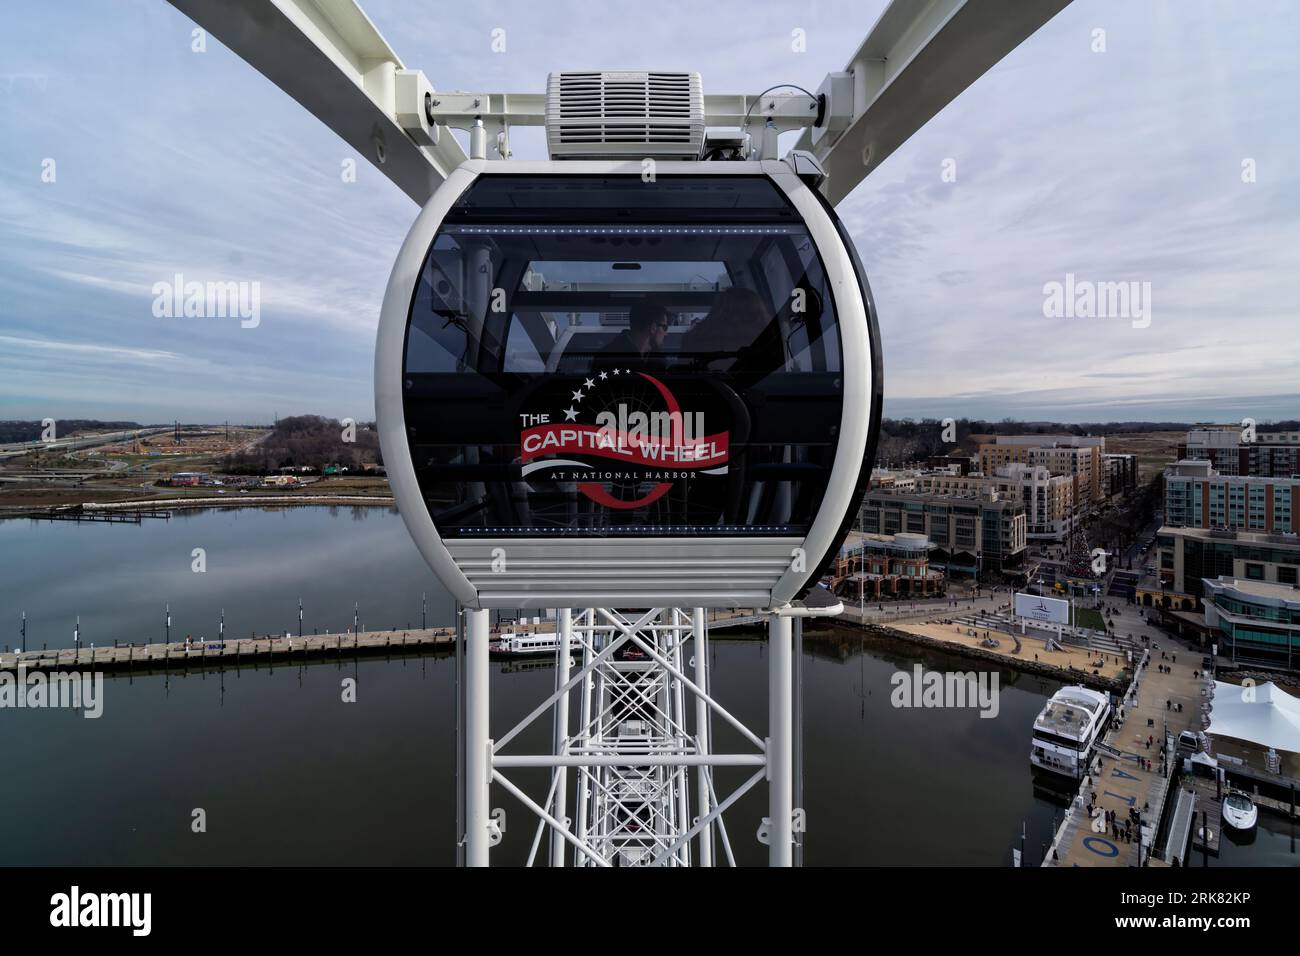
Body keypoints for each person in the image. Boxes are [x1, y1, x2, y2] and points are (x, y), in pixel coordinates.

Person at [593, 300, 670, 375]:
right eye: (665, 327)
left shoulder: (658, 360)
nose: (666, 333)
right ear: (653, 328)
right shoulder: (608, 360)